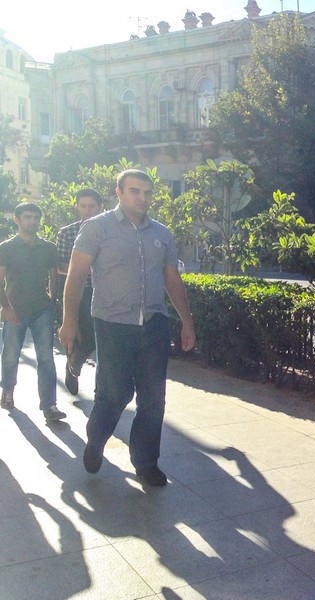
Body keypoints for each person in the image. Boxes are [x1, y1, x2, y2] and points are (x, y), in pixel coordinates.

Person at [59, 169, 196, 486]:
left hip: (154, 324)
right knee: (115, 393)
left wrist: (187, 321)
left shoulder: (162, 233)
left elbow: (172, 278)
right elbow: (76, 276)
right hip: (112, 325)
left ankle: (146, 463)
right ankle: (96, 439)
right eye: (135, 191)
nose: (142, 198)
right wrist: (68, 321)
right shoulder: (97, 228)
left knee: (154, 399)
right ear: (118, 192)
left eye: (147, 192)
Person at [0, 202, 65, 421]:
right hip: (14, 309)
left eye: (36, 217)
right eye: (28, 217)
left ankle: (50, 406)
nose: (33, 221)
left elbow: (54, 276)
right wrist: (6, 307)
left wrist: (53, 302)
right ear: (17, 219)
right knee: (10, 355)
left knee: (46, 358)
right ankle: (8, 390)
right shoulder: (6, 248)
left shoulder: (48, 247)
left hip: (41, 309)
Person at [56, 188, 103, 395]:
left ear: (100, 207)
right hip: (81, 290)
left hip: (107, 290)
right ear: (77, 207)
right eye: (83, 206)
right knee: (85, 336)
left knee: (105, 339)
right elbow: (60, 266)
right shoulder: (68, 232)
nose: (87, 210)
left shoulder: (111, 231)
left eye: (91, 206)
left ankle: (102, 389)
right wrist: (84, 268)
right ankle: (73, 364)